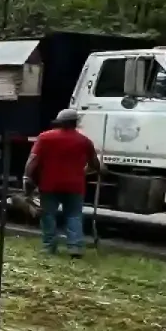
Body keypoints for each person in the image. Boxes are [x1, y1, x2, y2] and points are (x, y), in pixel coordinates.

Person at [24, 109, 99, 257]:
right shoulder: (84, 141)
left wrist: (27, 177)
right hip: (75, 186)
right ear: (75, 123)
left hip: (49, 184)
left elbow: (33, 160)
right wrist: (88, 171)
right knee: (74, 216)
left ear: (59, 122)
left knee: (48, 215)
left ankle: (49, 247)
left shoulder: (45, 137)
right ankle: (75, 247)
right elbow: (95, 164)